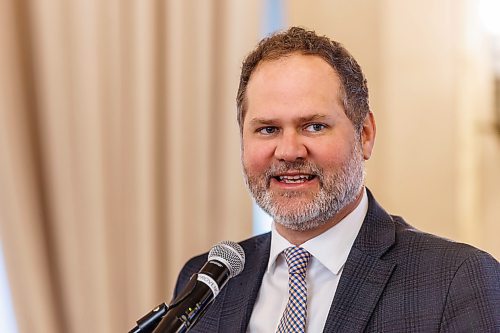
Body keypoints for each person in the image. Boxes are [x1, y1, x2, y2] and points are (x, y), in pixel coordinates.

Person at [173, 27, 500, 332]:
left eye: (314, 126)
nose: (288, 151)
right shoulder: (206, 281)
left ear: (366, 135)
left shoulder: (456, 280)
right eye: (268, 129)